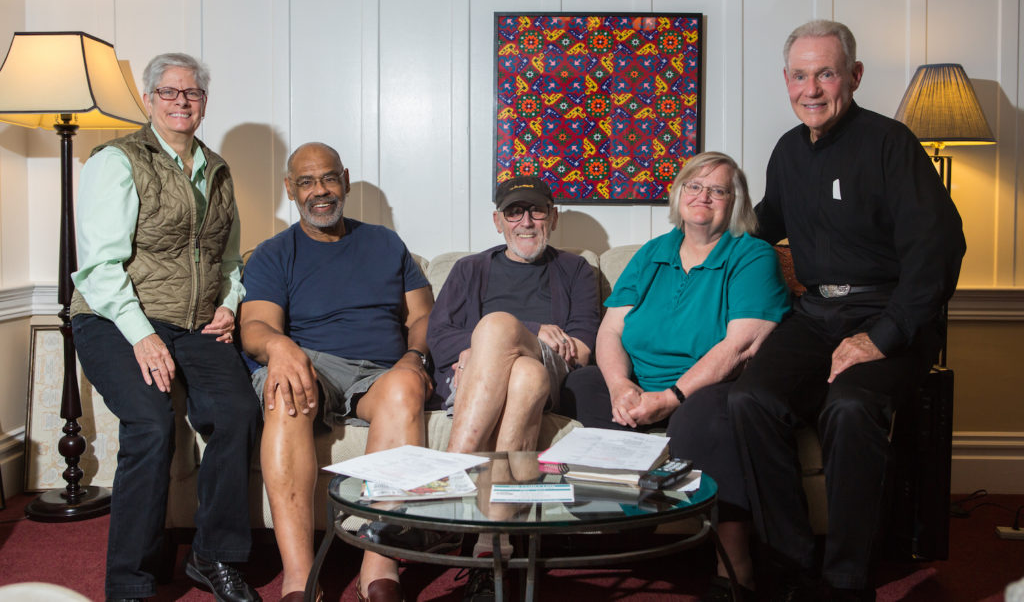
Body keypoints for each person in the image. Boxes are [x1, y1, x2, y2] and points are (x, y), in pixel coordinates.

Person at [728, 20, 966, 601]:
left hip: (888, 317)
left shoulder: (892, 145)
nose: (813, 88)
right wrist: (704, 235)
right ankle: (789, 568)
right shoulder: (787, 150)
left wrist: (880, 338)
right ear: (786, 81)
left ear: (854, 77)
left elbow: (939, 253)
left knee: (851, 407)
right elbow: (766, 225)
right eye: (801, 75)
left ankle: (843, 583)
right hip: (815, 316)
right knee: (749, 400)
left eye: (826, 73)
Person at [70, 53, 262, 602]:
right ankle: (130, 580)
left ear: (204, 104)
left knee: (237, 413)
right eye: (170, 92)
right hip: (114, 318)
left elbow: (228, 261)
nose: (182, 101)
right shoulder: (117, 161)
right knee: (152, 425)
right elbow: (100, 269)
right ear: (149, 101)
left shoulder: (218, 169)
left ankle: (211, 556)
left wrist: (229, 303)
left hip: (195, 323)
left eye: (192, 94)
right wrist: (143, 335)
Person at [560, 151, 790, 601]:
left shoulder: (751, 255)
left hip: (706, 387)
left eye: (718, 190)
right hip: (640, 383)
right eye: (694, 186)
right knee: (579, 384)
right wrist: (621, 386)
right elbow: (612, 328)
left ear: (735, 202)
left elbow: (740, 344)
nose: (703, 197)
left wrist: (670, 397)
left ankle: (734, 564)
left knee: (703, 415)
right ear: (679, 194)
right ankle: (621, 528)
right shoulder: (653, 253)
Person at [239, 142, 441, 602]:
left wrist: (415, 357)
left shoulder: (385, 242)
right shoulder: (274, 252)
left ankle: (378, 567)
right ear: (290, 189)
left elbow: (423, 316)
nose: (320, 191)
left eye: (329, 178)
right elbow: (254, 326)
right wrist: (280, 347)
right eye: (307, 182)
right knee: (284, 395)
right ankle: (299, 580)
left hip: (380, 370)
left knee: (407, 386)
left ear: (345, 180)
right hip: (310, 362)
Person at [426, 175, 600, 600]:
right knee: (524, 376)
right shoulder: (469, 269)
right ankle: (494, 550)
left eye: (537, 210)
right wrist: (484, 350)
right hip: (483, 379)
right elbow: (439, 336)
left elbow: (583, 346)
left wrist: (516, 334)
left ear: (553, 218)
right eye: (514, 212)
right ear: (497, 221)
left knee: (497, 325)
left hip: (552, 367)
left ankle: (448, 474)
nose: (527, 221)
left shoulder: (576, 269)